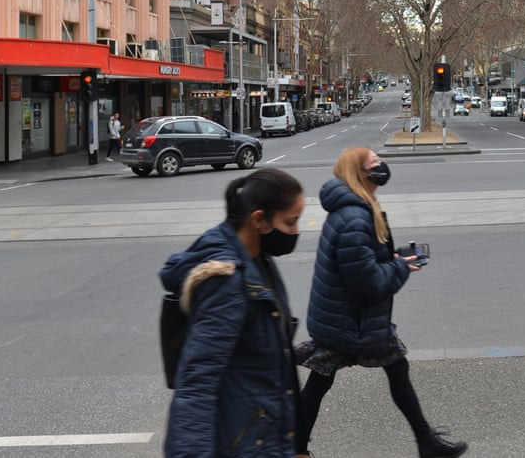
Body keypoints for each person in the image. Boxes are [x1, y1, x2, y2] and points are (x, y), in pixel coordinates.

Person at [294, 147, 468, 458]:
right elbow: (368, 281)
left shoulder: (356, 207)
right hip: (352, 323)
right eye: (374, 163)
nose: (382, 166)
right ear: (360, 174)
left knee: (327, 378)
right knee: (387, 368)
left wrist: (394, 258)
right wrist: (400, 267)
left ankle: (296, 447)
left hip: (345, 318)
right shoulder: (354, 217)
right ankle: (426, 442)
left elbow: (362, 263)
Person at [161, 167, 305, 458]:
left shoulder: (257, 259)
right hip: (245, 445)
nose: (295, 231)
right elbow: (198, 380)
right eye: (290, 222)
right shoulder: (228, 282)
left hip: (261, 437)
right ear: (258, 219)